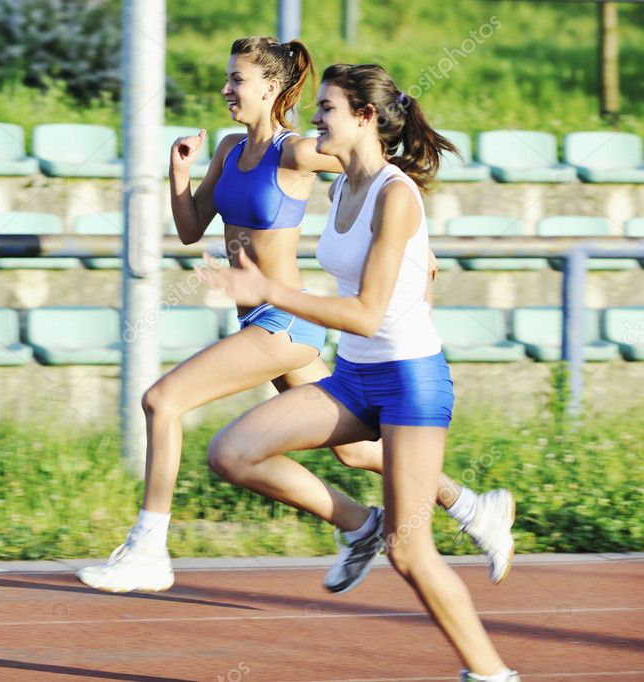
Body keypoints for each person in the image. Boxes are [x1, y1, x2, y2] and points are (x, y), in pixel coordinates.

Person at [77, 37, 514, 601]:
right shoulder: (230, 149)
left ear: (272, 88)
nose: (226, 89)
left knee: (162, 400)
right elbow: (190, 228)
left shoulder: (298, 152)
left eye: (237, 79)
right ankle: (458, 510)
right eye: (227, 78)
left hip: (283, 324)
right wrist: (176, 174)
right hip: (257, 321)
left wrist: (414, 243)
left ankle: (148, 550)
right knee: (353, 451)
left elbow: (372, 165)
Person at [201, 62, 519, 681]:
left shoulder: (396, 194)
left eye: (327, 109)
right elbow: (408, 269)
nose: (314, 118)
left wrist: (268, 288)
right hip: (354, 378)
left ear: (366, 117)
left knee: (411, 553)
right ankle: (363, 524)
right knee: (232, 452)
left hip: (408, 382)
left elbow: (368, 314)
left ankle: (490, 673)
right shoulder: (340, 186)